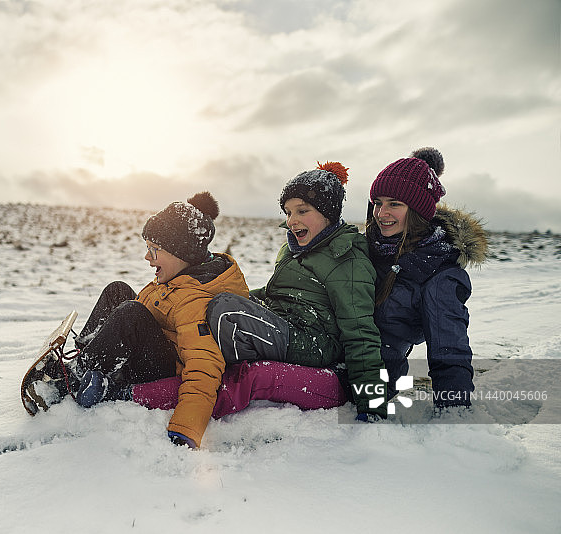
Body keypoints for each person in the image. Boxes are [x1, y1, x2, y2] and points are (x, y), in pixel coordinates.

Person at [133, 162, 388, 421]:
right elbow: (275, 293)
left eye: (302, 211)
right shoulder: (294, 250)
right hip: (286, 326)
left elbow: (361, 334)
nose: (292, 221)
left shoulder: (347, 260)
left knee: (225, 311)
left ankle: (208, 372)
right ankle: (178, 356)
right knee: (209, 304)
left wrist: (373, 405)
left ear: (329, 213)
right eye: (288, 212)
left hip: (314, 343)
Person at [24, 191, 250, 449]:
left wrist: (186, 429)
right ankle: (86, 357)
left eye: (155, 249)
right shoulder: (181, 275)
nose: (147, 257)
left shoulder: (196, 300)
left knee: (131, 313)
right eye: (147, 248)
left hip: (159, 371)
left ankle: (70, 381)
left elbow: (204, 368)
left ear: (181, 253)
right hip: (156, 347)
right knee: (118, 291)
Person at [366, 147, 487, 409]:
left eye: (394, 204)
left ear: (417, 211)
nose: (382, 213)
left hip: (372, 378)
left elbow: (449, 350)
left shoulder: (438, 271)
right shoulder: (365, 248)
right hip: (330, 352)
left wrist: (453, 414)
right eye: (378, 203)